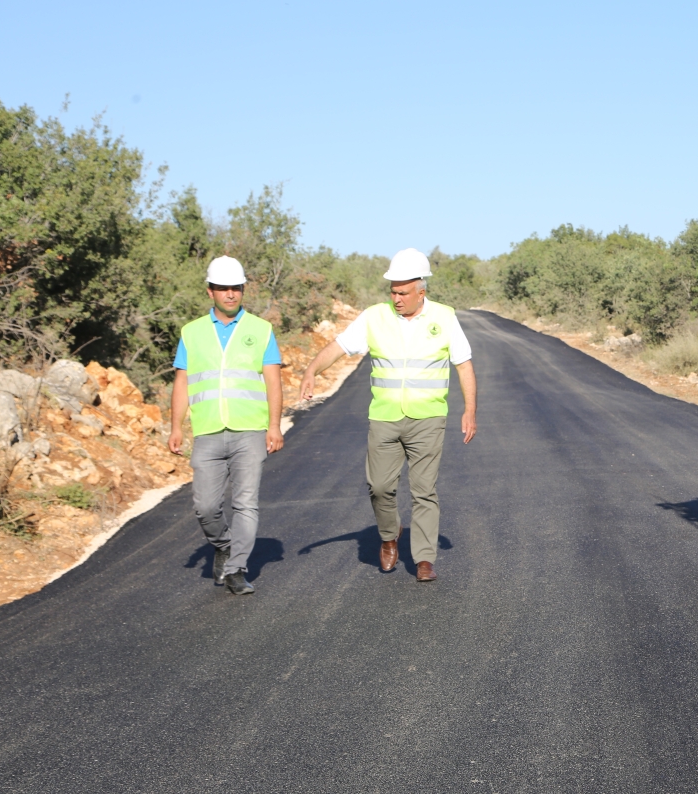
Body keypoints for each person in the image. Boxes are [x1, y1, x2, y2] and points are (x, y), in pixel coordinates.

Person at [299, 247, 476, 582]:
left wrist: (470, 410)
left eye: (403, 292)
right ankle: (389, 534)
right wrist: (312, 369)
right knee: (379, 486)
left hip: (428, 417)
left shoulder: (444, 317)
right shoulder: (374, 317)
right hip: (384, 417)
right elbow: (338, 346)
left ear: (421, 291)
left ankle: (423, 559)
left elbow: (463, 364)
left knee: (424, 489)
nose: (396, 298)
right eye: (393, 291)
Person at [168, 255, 284, 595]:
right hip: (207, 430)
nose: (230, 294)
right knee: (205, 506)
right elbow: (182, 382)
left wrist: (274, 426)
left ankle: (236, 570)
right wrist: (176, 426)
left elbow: (274, 381)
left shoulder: (261, 330)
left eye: (236, 288)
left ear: (243, 289)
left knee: (245, 503)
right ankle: (223, 544)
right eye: (223, 289)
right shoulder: (191, 333)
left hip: (249, 430)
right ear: (210, 292)